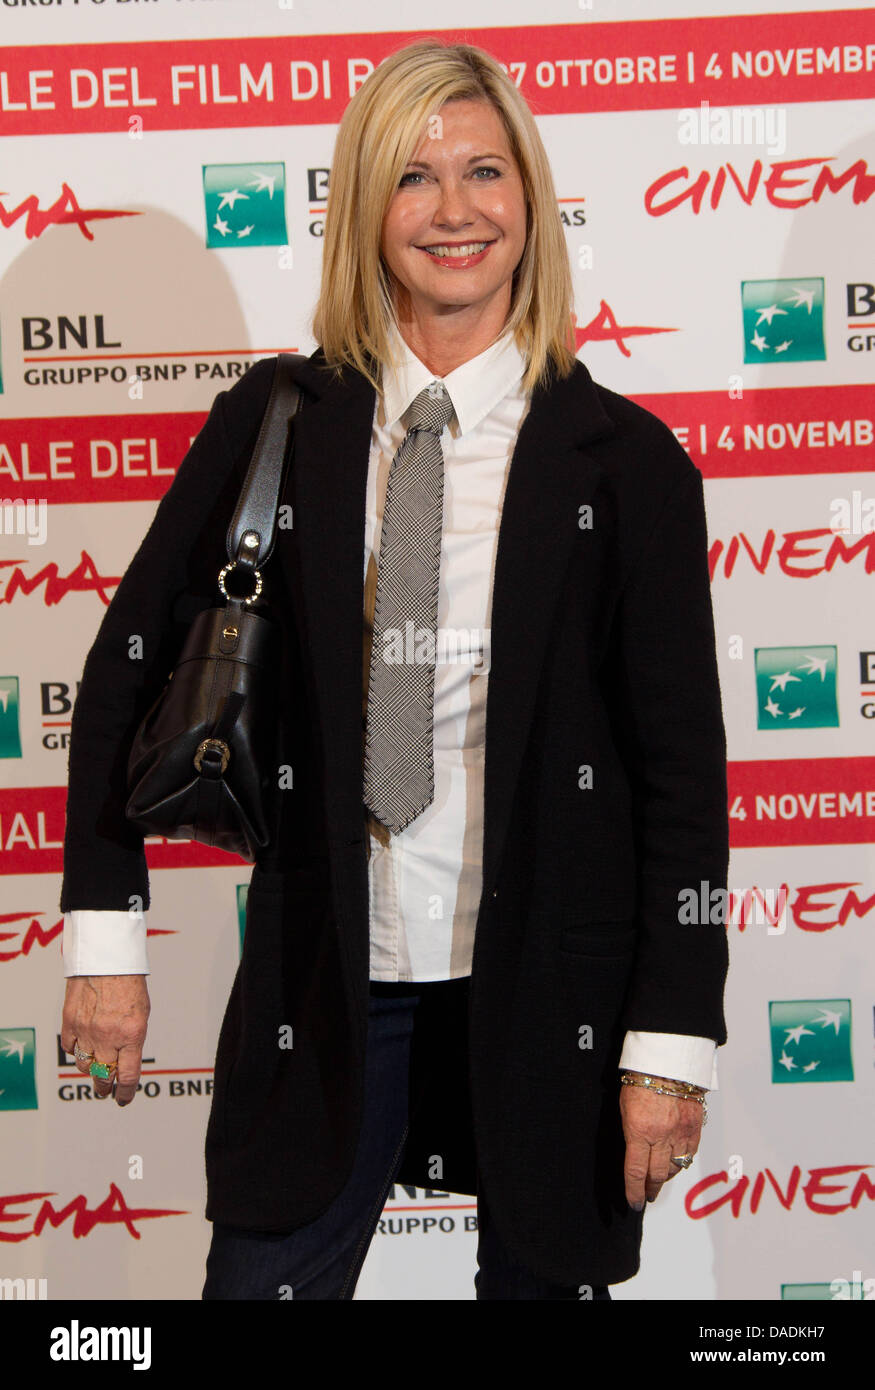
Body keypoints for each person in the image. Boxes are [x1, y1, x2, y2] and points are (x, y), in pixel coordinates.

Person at [59, 39, 729, 1301]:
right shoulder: (277, 422)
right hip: (326, 974)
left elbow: (682, 781)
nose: (454, 209)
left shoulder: (625, 466)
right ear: (364, 209)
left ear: (529, 199)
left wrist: (671, 1040)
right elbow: (123, 670)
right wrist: (105, 944)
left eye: (484, 170)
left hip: (547, 992)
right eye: (412, 177)